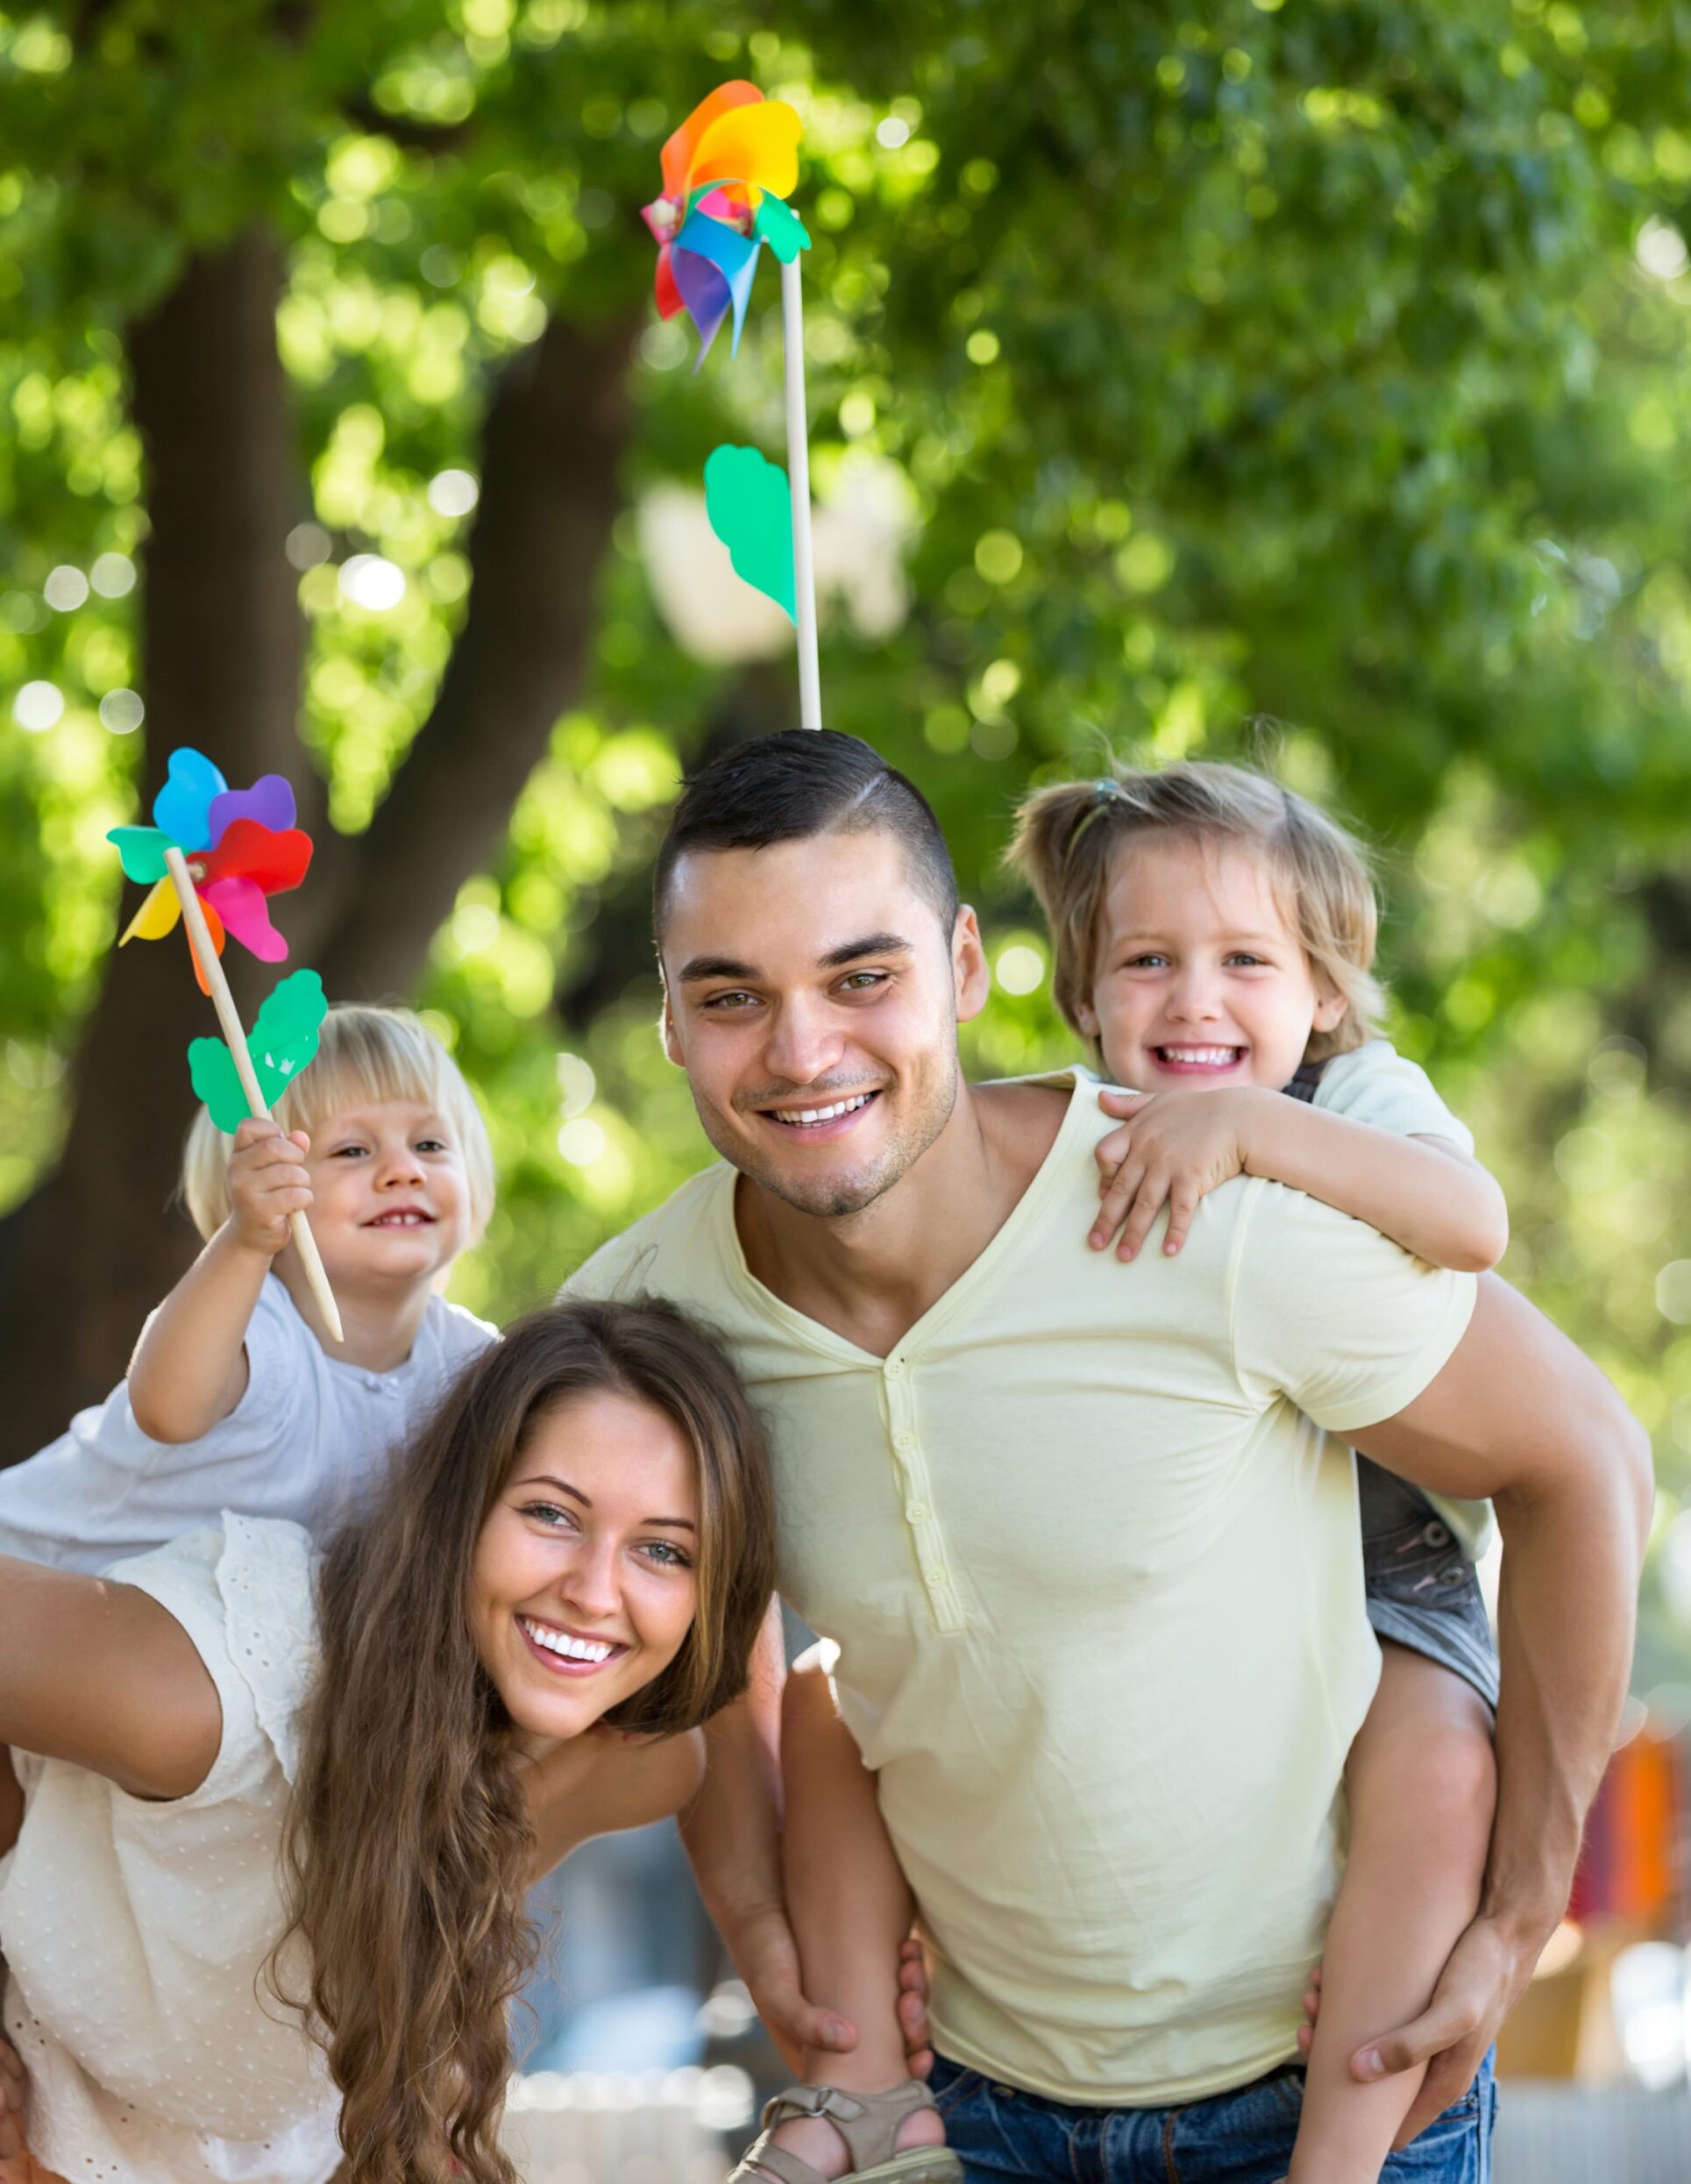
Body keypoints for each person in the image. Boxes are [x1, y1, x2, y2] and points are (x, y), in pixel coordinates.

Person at [560, 729, 1651, 2184]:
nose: (801, 1049)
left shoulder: (1195, 1201)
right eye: (730, 997)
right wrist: (761, 1924)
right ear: (668, 1018)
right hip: (970, 2115)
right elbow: (682, 1648)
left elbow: (1578, 1455)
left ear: (962, 964)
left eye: (859, 976)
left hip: (1323, 2088)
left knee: (1424, 1731)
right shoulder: (642, 1325)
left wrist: (1517, 1913)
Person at [0, 1296, 777, 2184]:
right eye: (552, 1515)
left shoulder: (633, 1764)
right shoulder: (213, 1694)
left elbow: (393, 1948)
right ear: (462, 1508)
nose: (596, 1592)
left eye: (663, 1551)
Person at [0, 1003, 498, 1571]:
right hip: (28, 1577)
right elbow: (166, 1409)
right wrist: (243, 1243)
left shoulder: (470, 1363)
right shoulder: (260, 1331)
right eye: (352, 1150)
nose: (403, 1170)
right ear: (259, 1191)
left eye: (429, 1145)